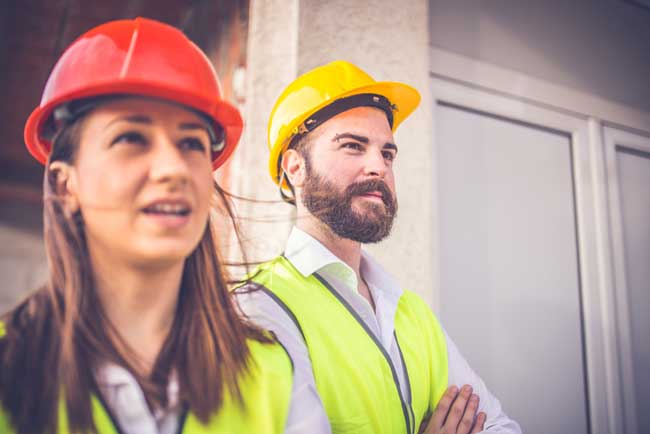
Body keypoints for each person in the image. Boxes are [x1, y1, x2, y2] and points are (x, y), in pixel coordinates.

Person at [0, 17, 302, 434]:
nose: (173, 168)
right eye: (131, 138)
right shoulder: (8, 368)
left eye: (191, 143)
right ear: (64, 184)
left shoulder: (272, 373)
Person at [236, 60, 523, 434]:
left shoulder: (411, 312)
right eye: (353, 146)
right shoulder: (258, 308)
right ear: (295, 168)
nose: (379, 166)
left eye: (387, 153)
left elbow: (500, 427)